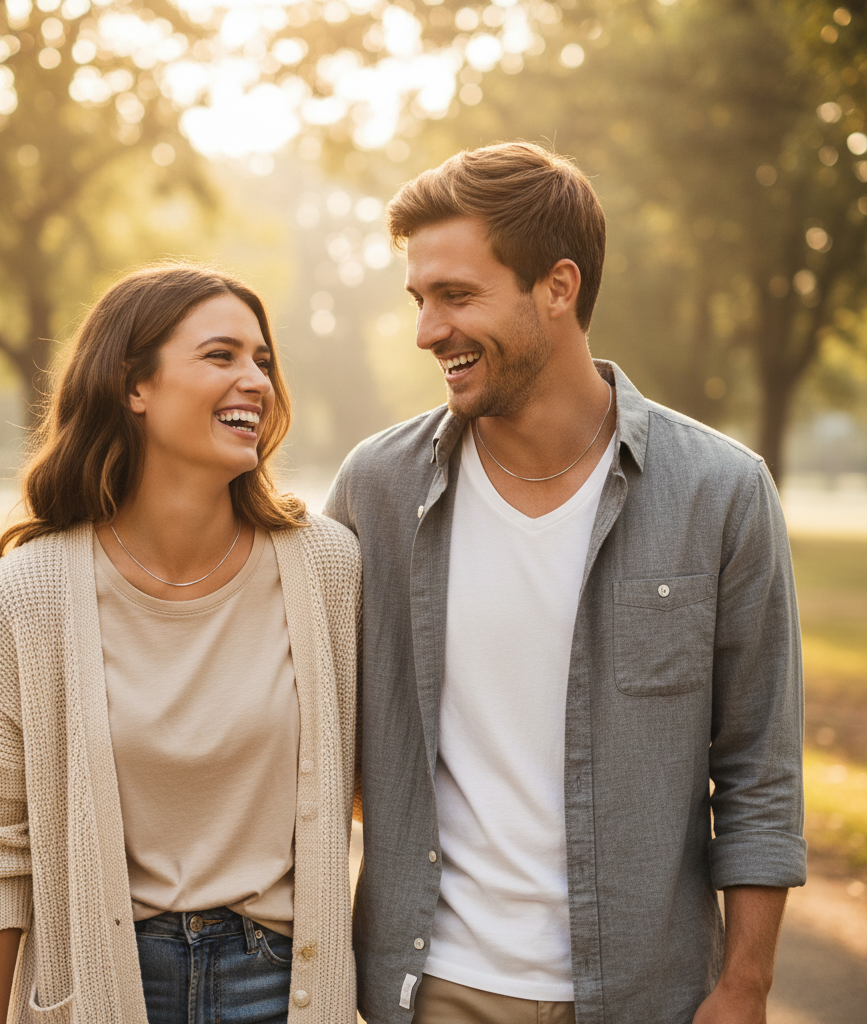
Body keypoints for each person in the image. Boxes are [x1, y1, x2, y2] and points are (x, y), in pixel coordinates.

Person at [325, 142, 805, 1024]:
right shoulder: (375, 490)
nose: (429, 330)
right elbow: (302, 723)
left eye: (457, 296)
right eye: (420, 300)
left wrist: (745, 985)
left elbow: (758, 771)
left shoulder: (720, 492)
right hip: (432, 992)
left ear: (558, 286)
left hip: (645, 995)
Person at [0, 262, 360, 1024]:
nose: (256, 381)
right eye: (221, 355)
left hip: (280, 984)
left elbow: (386, 785)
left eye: (263, 361)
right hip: (105, 986)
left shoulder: (326, 567)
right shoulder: (27, 594)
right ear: (135, 386)